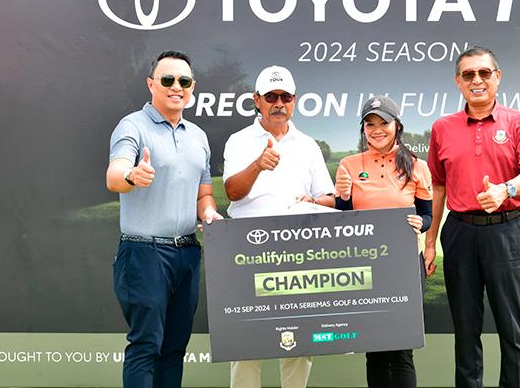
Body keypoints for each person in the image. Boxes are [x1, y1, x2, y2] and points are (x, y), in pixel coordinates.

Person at [424, 46, 520, 388]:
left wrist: (504, 190)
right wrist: (430, 243)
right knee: (465, 330)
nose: (477, 80)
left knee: (512, 329)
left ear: (497, 77)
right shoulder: (442, 128)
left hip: (505, 232)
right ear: (458, 82)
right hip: (460, 234)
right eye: (468, 74)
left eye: (484, 73)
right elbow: (437, 188)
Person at [106, 50, 223, 388]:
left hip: (187, 253)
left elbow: (203, 195)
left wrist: (209, 213)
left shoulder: (198, 137)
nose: (176, 87)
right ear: (151, 84)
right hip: (144, 254)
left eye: (184, 81)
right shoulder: (132, 126)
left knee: (174, 349)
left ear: (192, 87)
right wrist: (132, 175)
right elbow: (114, 175)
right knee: (146, 346)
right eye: (167, 80)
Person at [222, 65, 335, 388]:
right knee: (246, 343)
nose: (279, 103)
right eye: (271, 96)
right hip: (248, 251)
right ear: (256, 100)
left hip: (298, 254)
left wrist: (317, 200)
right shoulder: (239, 140)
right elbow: (232, 192)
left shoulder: (308, 145)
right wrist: (258, 165)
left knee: (299, 343)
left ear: (295, 100)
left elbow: (325, 198)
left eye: (285, 96)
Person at [333, 95, 433, 388]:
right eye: (370, 124)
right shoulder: (349, 165)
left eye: (383, 123)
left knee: (402, 350)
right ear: (363, 129)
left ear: (397, 126)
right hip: (365, 266)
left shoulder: (416, 165)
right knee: (375, 350)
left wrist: (422, 224)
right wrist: (343, 197)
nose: (377, 129)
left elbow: (426, 214)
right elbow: (343, 219)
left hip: (403, 266)